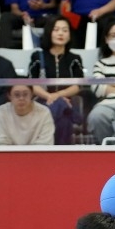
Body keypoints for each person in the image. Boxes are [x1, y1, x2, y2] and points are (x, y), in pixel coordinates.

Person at [28, 15, 83, 145]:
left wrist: (58, 96)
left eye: (65, 30)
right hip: (42, 102)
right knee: (64, 119)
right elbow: (32, 84)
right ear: (49, 32)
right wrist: (50, 97)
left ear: (69, 34)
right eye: (56, 29)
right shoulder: (37, 56)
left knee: (63, 115)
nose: (60, 33)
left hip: (68, 101)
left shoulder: (74, 58)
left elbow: (78, 85)